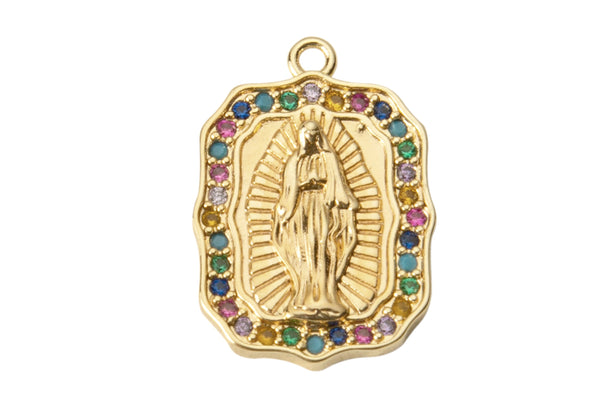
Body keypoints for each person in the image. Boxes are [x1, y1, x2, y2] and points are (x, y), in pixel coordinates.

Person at [274, 120, 359, 319]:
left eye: (315, 133)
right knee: (304, 249)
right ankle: (303, 297)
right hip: (300, 208)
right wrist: (284, 211)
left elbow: (338, 185)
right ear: (302, 135)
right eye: (307, 133)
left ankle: (326, 298)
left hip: (322, 206)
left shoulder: (328, 158)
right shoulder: (295, 160)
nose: (311, 137)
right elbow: (289, 190)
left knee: (323, 247)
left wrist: (344, 202)